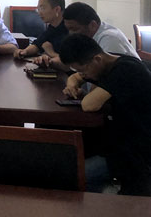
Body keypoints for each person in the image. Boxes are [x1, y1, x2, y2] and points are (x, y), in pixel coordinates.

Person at [59, 34, 151, 196]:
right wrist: (73, 84)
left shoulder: (126, 70)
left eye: (83, 70)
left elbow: (89, 105)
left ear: (97, 59)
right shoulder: (111, 62)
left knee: (74, 176)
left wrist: (85, 94)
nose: (84, 75)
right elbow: (75, 77)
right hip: (119, 141)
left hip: (137, 151)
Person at [62, 2, 138, 58]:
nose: (70, 33)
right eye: (68, 29)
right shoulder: (87, 38)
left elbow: (105, 70)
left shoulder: (109, 39)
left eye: (74, 29)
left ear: (93, 25)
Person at [14, 0, 69, 69]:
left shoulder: (71, 28)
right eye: (38, 9)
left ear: (57, 9)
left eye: (42, 8)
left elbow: (71, 63)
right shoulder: (52, 27)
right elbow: (38, 44)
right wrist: (24, 52)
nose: (39, 13)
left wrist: (51, 53)